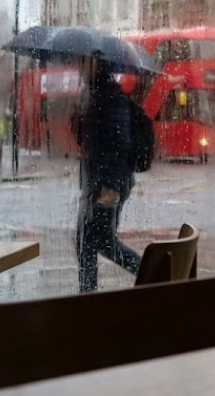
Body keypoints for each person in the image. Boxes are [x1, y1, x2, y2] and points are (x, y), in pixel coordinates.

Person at [76, 57, 141, 291]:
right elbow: (88, 141)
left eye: (84, 64)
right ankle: (88, 294)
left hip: (109, 182)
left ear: (97, 67)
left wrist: (109, 187)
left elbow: (119, 143)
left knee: (99, 241)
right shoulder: (96, 96)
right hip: (98, 180)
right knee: (87, 241)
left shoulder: (111, 98)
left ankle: (152, 273)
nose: (80, 68)